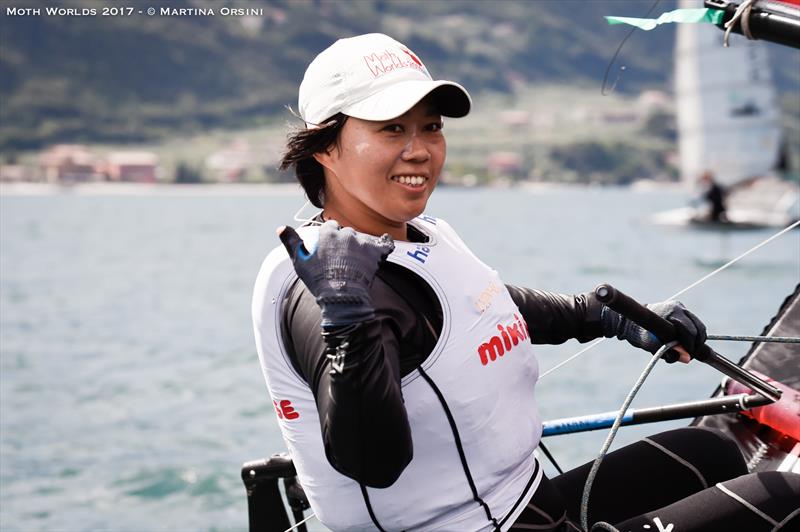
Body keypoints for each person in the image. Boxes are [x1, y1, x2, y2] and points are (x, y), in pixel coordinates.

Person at [252, 34, 799, 531]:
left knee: (714, 455)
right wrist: (346, 315)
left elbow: (481, 306)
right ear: (324, 147)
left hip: (522, 503)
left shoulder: (412, 234)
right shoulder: (323, 291)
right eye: (392, 128)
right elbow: (372, 461)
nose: (419, 149)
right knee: (787, 496)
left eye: (431, 127)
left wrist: (600, 315)